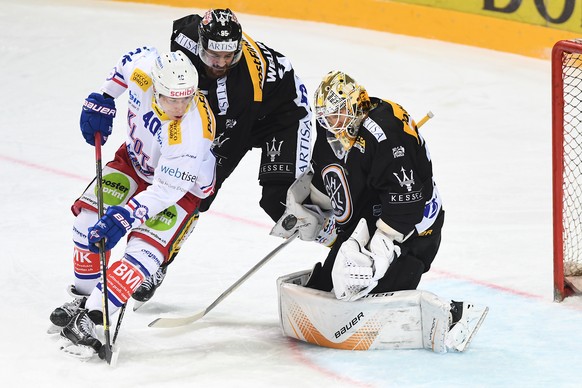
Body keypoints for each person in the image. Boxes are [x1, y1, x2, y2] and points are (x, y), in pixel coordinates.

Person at [271, 70, 488, 352]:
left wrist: (381, 248)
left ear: (356, 106)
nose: (331, 123)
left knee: (366, 288)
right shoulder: (331, 132)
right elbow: (330, 182)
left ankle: (453, 317)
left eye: (338, 115)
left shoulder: (387, 133)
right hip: (370, 220)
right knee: (332, 286)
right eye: (326, 116)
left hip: (414, 230)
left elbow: (407, 202)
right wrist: (312, 208)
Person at [131, 8, 313, 305]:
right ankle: (159, 259)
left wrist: (198, 178)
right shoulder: (184, 37)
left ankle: (342, 229)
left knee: (274, 200)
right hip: (238, 110)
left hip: (281, 115)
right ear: (200, 43)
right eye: (214, 54)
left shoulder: (242, 88)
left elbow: (226, 150)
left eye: (229, 56)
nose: (221, 63)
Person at [49, 48, 217, 359]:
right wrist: (106, 96)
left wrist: (125, 217)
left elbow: (166, 192)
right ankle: (82, 300)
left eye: (187, 98)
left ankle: (96, 317)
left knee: (142, 255)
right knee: (86, 225)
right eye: (172, 98)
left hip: (181, 189)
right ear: (156, 88)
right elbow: (125, 64)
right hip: (135, 162)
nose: (181, 106)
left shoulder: (191, 134)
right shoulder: (144, 71)